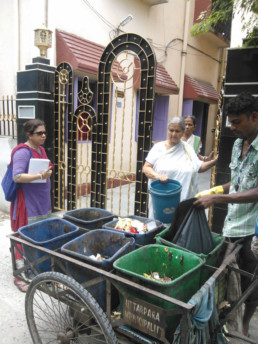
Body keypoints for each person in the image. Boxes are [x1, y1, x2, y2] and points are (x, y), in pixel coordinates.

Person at [194, 91, 258, 337]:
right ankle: (229, 322)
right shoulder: (237, 146)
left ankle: (243, 327)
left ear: (253, 116)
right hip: (230, 228)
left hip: (251, 232)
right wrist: (216, 189)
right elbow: (238, 183)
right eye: (229, 122)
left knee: (250, 285)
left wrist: (218, 198)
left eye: (236, 122)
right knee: (227, 283)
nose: (231, 127)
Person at [142, 116, 218, 219]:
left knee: (181, 228)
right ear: (167, 130)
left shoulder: (188, 148)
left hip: (184, 200)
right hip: (163, 201)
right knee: (162, 228)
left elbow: (199, 167)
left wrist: (213, 162)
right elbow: (146, 168)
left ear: (183, 132)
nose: (173, 134)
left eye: (177, 131)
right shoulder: (158, 148)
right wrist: (158, 176)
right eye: (171, 130)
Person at [11, 119, 53, 292]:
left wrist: (48, 172)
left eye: (44, 132)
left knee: (40, 235)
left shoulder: (40, 149)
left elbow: (44, 169)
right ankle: (19, 275)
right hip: (28, 203)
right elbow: (17, 177)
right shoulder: (22, 152)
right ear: (29, 135)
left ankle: (36, 268)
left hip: (42, 201)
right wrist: (39, 175)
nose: (43, 136)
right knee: (23, 237)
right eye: (39, 133)